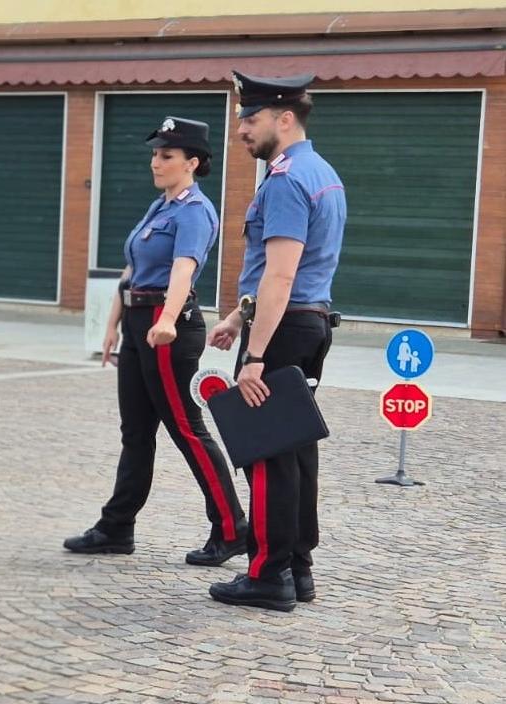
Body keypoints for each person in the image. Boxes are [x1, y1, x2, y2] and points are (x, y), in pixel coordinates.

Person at [63, 117, 247, 567]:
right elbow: (131, 272)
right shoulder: (161, 207)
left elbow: (183, 271)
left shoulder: (195, 211)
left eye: (166, 155)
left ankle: (231, 527)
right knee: (136, 434)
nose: (156, 162)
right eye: (154, 154)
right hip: (139, 324)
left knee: (186, 429)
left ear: (193, 162)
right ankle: (116, 527)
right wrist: (112, 324)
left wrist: (164, 321)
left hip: (169, 329)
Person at [207, 71, 346, 612]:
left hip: (283, 328)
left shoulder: (286, 179)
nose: (241, 128)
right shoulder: (322, 173)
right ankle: (299, 570)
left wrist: (256, 355)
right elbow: (296, 273)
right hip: (308, 321)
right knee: (295, 450)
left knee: (267, 454)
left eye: (251, 118)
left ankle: (268, 575)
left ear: (284, 119)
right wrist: (239, 318)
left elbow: (281, 275)